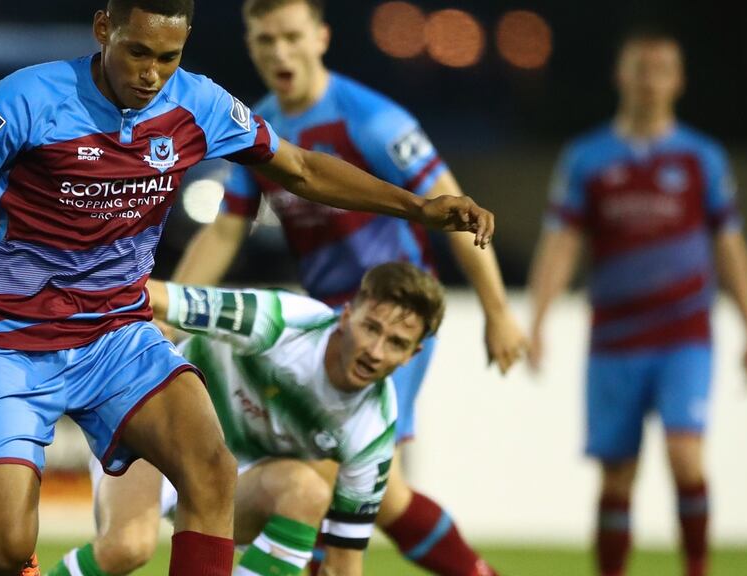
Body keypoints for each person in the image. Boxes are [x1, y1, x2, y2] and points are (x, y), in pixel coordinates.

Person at [0, 1, 495, 575]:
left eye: (168, 57)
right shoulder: (30, 96)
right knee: (2, 544)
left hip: (118, 335)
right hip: (11, 337)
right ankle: (0, 536)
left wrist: (417, 207)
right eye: (137, 52)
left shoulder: (199, 104)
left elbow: (299, 168)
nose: (151, 73)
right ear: (104, 29)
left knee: (210, 471)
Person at [169, 1, 527, 574]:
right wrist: (170, 315)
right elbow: (225, 231)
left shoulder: (373, 118)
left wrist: (498, 311)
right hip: (329, 324)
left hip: (389, 324)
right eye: (265, 40)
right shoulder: (257, 128)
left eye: (291, 37)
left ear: (321, 37)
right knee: (364, 492)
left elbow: (456, 211)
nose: (279, 52)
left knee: (330, 477)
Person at [528, 29, 747, 576]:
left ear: (678, 81)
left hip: (684, 333)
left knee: (685, 455)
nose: (650, 81)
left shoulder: (702, 157)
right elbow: (562, 243)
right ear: (620, 76)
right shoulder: (587, 157)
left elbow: (729, 244)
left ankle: (697, 565)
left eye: (661, 70)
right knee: (616, 475)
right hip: (613, 338)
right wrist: (536, 318)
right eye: (640, 68)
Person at [49, 262, 447, 576]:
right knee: (127, 547)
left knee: (308, 491)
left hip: (231, 486)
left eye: (395, 343)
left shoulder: (374, 428)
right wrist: (60, 293)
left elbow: (343, 564)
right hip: (160, 436)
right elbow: (163, 298)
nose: (375, 351)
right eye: (370, 328)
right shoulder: (284, 323)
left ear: (412, 356)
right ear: (346, 317)